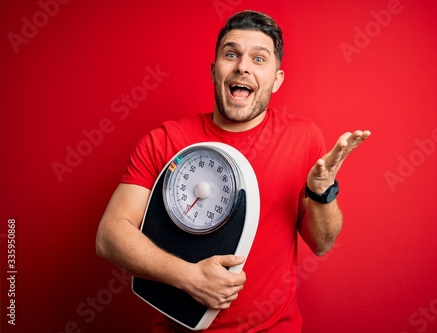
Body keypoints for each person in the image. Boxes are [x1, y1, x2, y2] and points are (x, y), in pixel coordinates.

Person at [96, 10, 370, 333]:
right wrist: (189, 277)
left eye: (259, 59)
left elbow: (321, 244)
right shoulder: (166, 140)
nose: (242, 66)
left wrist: (322, 191)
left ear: (277, 79)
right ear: (215, 71)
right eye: (231, 54)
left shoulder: (303, 138)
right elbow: (109, 236)